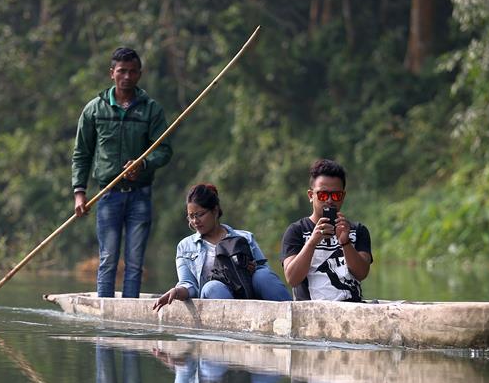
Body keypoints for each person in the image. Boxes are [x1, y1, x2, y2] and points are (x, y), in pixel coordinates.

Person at [72, 47, 172, 298]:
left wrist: (144, 164)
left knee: (135, 263)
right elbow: (81, 154)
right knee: (107, 259)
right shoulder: (95, 110)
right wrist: (79, 193)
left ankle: (128, 316)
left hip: (140, 195)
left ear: (140, 74)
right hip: (108, 195)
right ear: (112, 73)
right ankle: (106, 315)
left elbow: (164, 151)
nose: (127, 76)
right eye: (122, 71)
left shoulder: (151, 110)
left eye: (132, 71)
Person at [152, 183, 291, 311]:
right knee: (212, 286)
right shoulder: (185, 247)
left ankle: (290, 313)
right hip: (217, 297)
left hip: (248, 293)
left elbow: (263, 270)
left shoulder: (245, 238)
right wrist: (176, 291)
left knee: (263, 275)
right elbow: (189, 285)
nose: (195, 221)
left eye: (200, 215)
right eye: (191, 216)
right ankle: (235, 327)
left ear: (215, 211)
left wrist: (252, 268)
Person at [281, 159, 372, 301]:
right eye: (323, 195)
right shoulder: (297, 231)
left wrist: (346, 243)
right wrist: (312, 242)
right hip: (311, 312)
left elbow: (361, 273)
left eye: (336, 195)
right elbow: (292, 278)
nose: (329, 200)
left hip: (352, 310)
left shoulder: (357, 230)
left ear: (343, 197)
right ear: (311, 196)